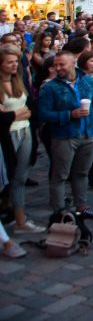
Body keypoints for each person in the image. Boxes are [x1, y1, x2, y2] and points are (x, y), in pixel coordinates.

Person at [38, 50, 93, 219]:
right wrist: (69, 115)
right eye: (56, 65)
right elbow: (43, 114)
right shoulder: (51, 87)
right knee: (60, 175)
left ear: (73, 64)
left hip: (88, 134)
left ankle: (81, 206)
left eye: (62, 64)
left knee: (82, 173)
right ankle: (59, 211)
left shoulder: (87, 80)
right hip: (64, 136)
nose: (58, 68)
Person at [0, 44, 42, 232]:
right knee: (7, 176)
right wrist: (16, 114)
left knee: (20, 177)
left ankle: (20, 219)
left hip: (25, 132)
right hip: (6, 136)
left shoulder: (19, 80)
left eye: (16, 61)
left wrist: (17, 114)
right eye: (9, 62)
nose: (14, 65)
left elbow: (29, 108)